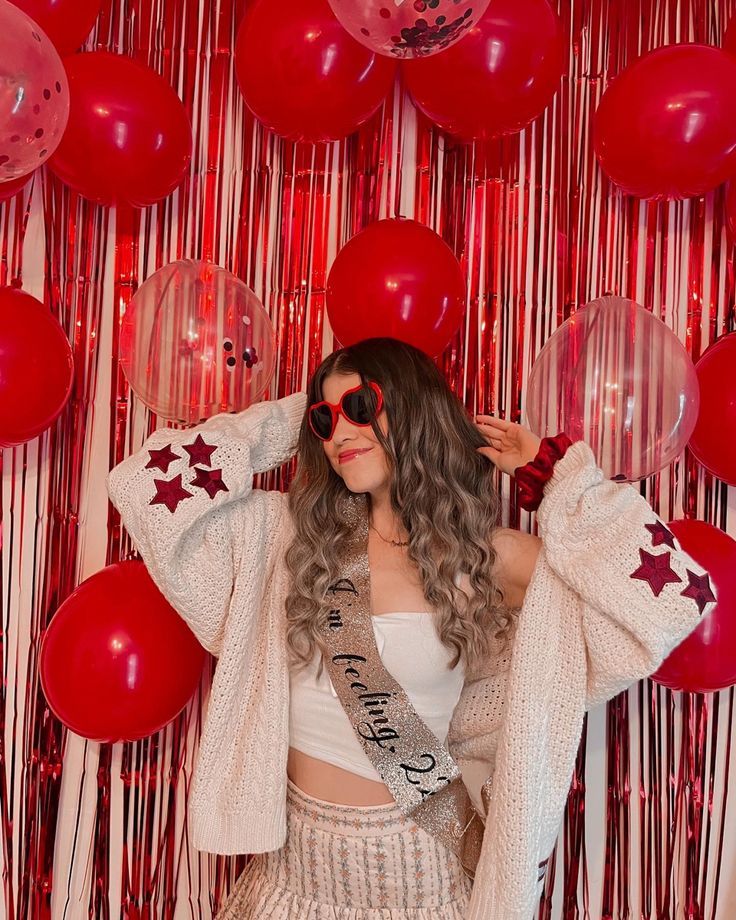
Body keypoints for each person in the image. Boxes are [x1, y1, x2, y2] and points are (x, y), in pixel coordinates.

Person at [106, 337, 716, 919]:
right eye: (326, 420)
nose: (340, 431)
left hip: (423, 878)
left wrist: (553, 478)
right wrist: (290, 419)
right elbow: (143, 487)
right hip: (290, 877)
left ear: (417, 411)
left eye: (361, 406)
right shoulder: (287, 542)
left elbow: (665, 601)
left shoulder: (488, 559)